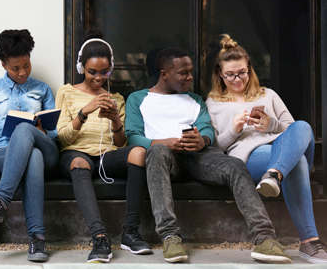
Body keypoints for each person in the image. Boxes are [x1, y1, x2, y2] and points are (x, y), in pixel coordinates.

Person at [125, 47, 291, 264]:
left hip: (198, 156)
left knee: (235, 165)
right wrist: (164, 142)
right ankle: (170, 236)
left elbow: (207, 130)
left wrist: (201, 140)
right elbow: (133, 137)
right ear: (164, 74)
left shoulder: (195, 99)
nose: (190, 77)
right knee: (156, 152)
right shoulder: (138, 98)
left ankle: (265, 238)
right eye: (183, 73)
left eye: (190, 71)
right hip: (165, 157)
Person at [206, 34, 326, 264]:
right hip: (250, 156)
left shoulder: (268, 94)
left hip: (282, 149)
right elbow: (215, 148)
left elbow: (295, 131)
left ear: (249, 69)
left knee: (303, 125)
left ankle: (274, 174)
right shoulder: (213, 103)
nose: (236, 79)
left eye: (241, 72)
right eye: (229, 74)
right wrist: (234, 129)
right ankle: (309, 242)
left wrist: (270, 124)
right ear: (220, 74)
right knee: (298, 162)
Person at [56, 31, 151, 263]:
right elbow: (62, 139)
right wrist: (84, 112)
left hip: (106, 157)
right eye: (92, 72)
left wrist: (116, 121)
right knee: (79, 162)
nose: (99, 77)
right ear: (82, 67)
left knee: (139, 152)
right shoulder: (66, 92)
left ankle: (130, 232)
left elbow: (122, 144)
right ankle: (99, 237)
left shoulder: (116, 98)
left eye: (105, 72)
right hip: (76, 154)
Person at [0, 29, 59, 262]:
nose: (23, 73)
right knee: (32, 157)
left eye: (27, 66)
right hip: (5, 152)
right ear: (3, 65)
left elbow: (55, 133)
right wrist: (11, 119)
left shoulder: (42, 89)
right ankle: (37, 239)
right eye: (15, 68)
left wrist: (38, 128)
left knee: (27, 134)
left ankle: (0, 200)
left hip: (47, 149)